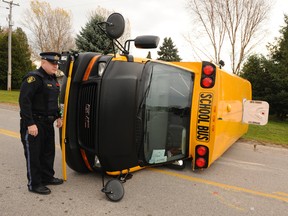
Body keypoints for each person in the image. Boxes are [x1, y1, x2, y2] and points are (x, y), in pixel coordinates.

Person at [19, 52, 64, 195]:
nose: (55, 66)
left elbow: (53, 102)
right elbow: (24, 102)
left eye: (57, 64)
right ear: (43, 62)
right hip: (35, 123)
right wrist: (30, 124)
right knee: (34, 154)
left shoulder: (53, 79)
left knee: (48, 152)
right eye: (52, 63)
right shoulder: (34, 78)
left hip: (48, 123)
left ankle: (47, 177)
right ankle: (35, 184)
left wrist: (58, 116)